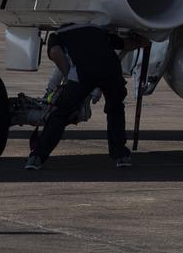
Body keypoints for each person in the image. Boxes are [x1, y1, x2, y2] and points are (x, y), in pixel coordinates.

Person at [25, 23, 146, 171]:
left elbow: (56, 52)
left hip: (83, 74)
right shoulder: (97, 30)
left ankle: (37, 157)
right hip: (111, 71)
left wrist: (68, 76)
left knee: (61, 113)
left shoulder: (58, 35)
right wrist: (143, 41)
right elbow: (126, 44)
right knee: (115, 109)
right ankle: (121, 156)